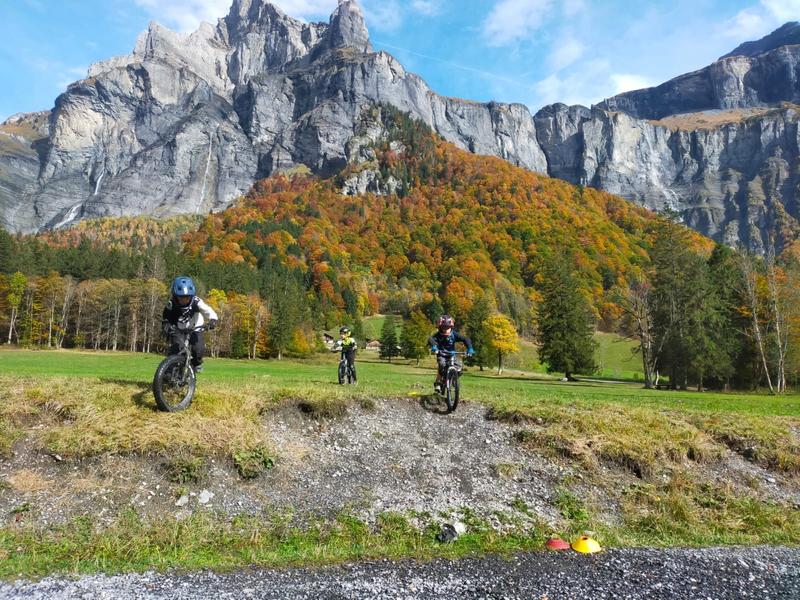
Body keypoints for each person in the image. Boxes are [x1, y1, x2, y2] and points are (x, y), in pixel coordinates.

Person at [162, 276, 218, 372]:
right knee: (176, 349)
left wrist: (212, 320)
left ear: (191, 295)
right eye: (181, 297)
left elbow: (209, 311)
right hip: (179, 329)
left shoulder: (196, 301)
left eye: (187, 297)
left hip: (196, 328)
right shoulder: (171, 304)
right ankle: (170, 372)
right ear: (175, 295)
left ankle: (197, 363)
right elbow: (166, 318)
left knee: (198, 349)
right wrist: (167, 325)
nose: (184, 300)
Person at [428, 314, 474, 394]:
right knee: (442, 365)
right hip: (442, 354)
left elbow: (465, 339)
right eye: (443, 327)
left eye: (448, 327)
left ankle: (453, 377)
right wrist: (434, 347)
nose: (446, 330)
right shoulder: (438, 335)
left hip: (452, 355)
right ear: (439, 327)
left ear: (451, 327)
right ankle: (438, 383)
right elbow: (431, 339)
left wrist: (469, 348)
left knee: (459, 367)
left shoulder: (454, 334)